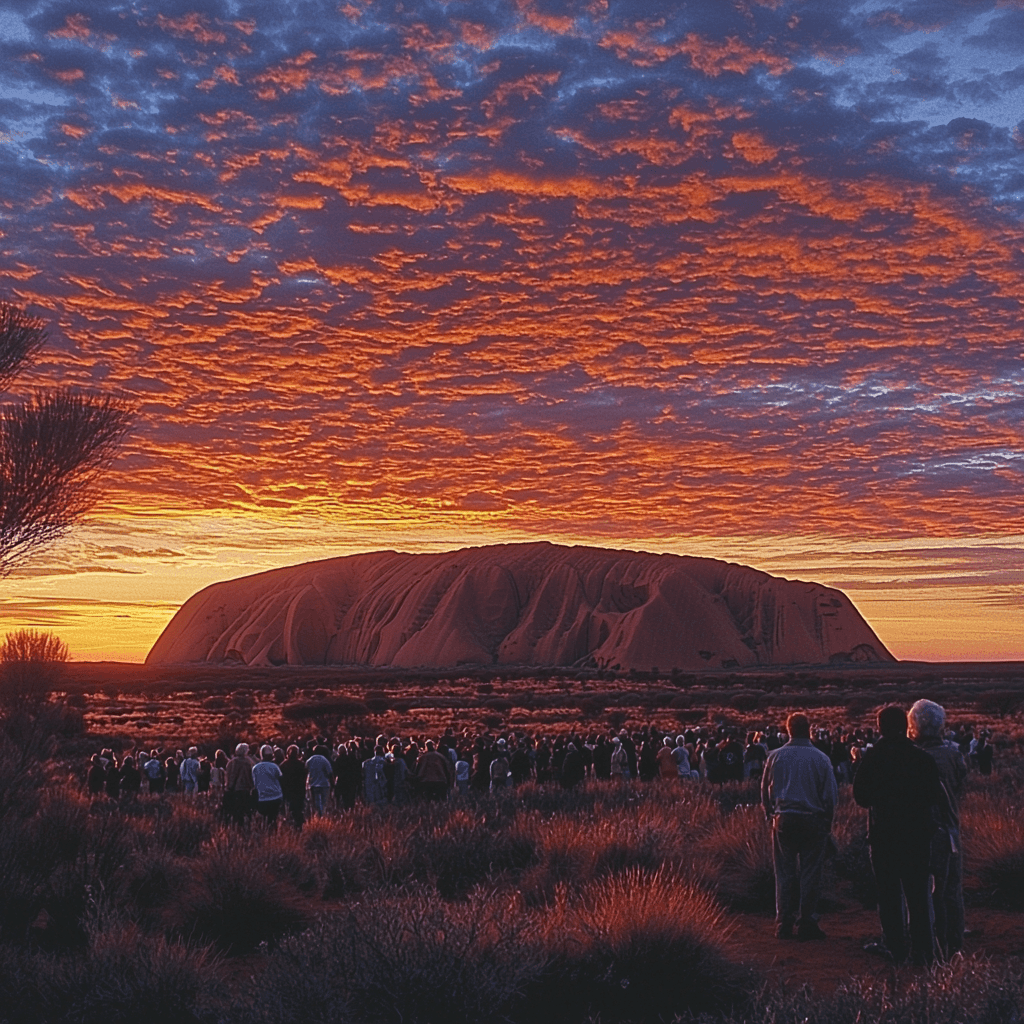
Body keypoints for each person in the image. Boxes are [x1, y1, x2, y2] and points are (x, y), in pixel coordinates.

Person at [854, 705, 944, 965]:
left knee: (889, 895)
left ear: (880, 727)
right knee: (918, 895)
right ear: (905, 725)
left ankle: (895, 949)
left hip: (883, 837)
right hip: (916, 838)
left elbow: (860, 796)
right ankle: (924, 952)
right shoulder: (922, 758)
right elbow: (932, 796)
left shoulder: (873, 758)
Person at [761, 712, 838, 941]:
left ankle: (783, 923)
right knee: (810, 873)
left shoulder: (775, 757)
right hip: (812, 819)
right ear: (809, 729)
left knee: (784, 873)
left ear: (788, 730)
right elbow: (830, 796)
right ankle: (807, 922)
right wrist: (828, 823)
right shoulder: (821, 758)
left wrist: (770, 814)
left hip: (783, 818)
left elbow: (765, 788)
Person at [909, 699, 967, 958]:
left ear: (914, 727)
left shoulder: (913, 758)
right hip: (950, 829)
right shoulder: (954, 755)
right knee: (952, 889)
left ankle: (932, 941)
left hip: (922, 833)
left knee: (926, 890)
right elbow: (961, 788)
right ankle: (954, 942)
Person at [251, 744, 284, 829]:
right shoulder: (274, 767)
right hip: (275, 797)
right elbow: (280, 779)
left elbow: (254, 783)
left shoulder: (255, 768)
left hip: (262, 798)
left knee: (264, 820)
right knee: (273, 819)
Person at [225, 742, 255, 826]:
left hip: (234, 790)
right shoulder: (250, 762)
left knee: (236, 813)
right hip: (246, 790)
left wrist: (229, 787)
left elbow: (229, 776)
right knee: (247, 811)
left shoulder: (231, 762)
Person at [280, 745, 308, 829]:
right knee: (298, 809)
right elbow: (305, 777)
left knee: (289, 809)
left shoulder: (283, 765)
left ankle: (290, 825)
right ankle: (299, 825)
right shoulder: (301, 764)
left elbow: (281, 779)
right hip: (299, 790)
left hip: (287, 790)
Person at [305, 745, 334, 817]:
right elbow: (330, 773)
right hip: (324, 784)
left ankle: (317, 816)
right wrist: (332, 784)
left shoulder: (309, 760)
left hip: (313, 784)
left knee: (315, 803)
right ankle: (323, 816)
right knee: (324, 803)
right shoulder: (324, 760)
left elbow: (305, 772)